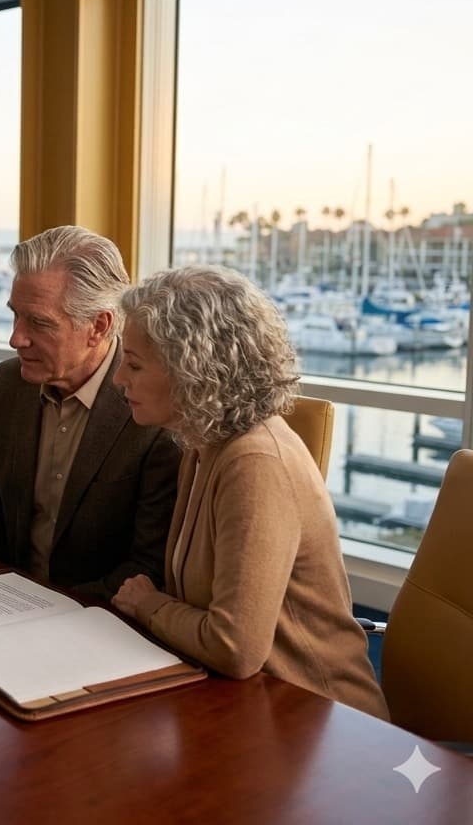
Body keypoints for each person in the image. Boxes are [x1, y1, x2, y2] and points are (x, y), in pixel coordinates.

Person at [110, 266, 388, 719]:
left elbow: (235, 647)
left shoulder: (255, 463)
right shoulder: (202, 444)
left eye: (135, 364)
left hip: (324, 722)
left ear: (192, 370)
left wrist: (149, 605)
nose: (120, 379)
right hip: (252, 707)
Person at [0, 225, 180, 599]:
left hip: (98, 621)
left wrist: (48, 614)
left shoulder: (154, 412)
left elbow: (148, 566)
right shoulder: (6, 384)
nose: (15, 338)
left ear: (98, 326)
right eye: (15, 315)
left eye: (39, 322)